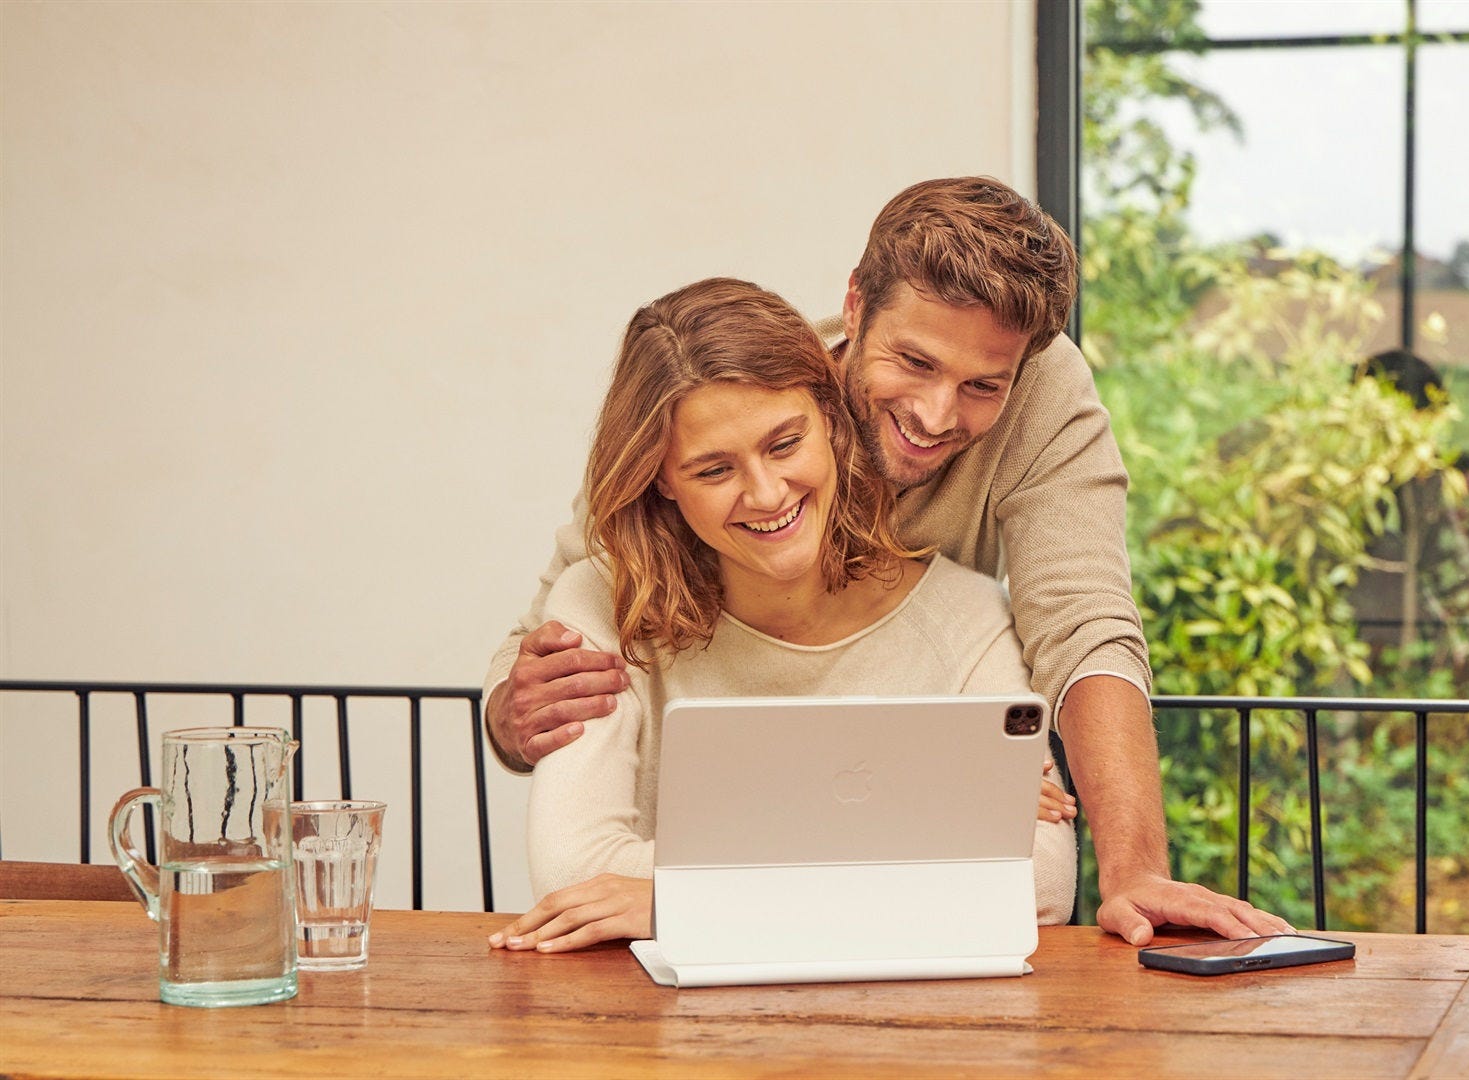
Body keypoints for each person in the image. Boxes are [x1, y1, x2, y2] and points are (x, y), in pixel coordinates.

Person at [484, 177, 1292, 945]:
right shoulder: (729, 401)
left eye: (983, 384)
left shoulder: (979, 579)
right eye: (913, 363)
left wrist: (1132, 871)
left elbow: (1084, 626)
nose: (936, 415)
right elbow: (551, 643)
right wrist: (926, 812)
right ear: (853, 309)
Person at [491, 278, 1077, 951]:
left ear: (830, 421)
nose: (767, 495)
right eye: (713, 470)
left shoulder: (967, 618)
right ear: (661, 477)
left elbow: (1036, 887)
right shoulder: (600, 604)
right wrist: (920, 815)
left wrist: (676, 904)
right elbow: (572, 874)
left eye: (783, 445)